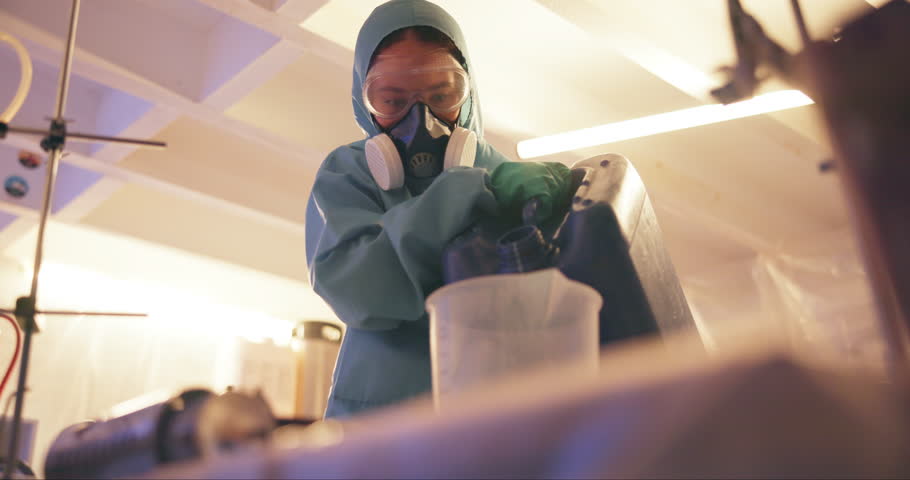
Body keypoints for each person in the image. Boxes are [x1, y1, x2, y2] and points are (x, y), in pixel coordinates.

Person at [305, 0, 570, 418]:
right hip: (379, 424)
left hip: (494, 415)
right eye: (392, 101)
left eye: (441, 95)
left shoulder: (507, 178)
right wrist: (469, 194)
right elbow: (358, 289)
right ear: (364, 99)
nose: (422, 121)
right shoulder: (349, 174)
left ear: (467, 93)